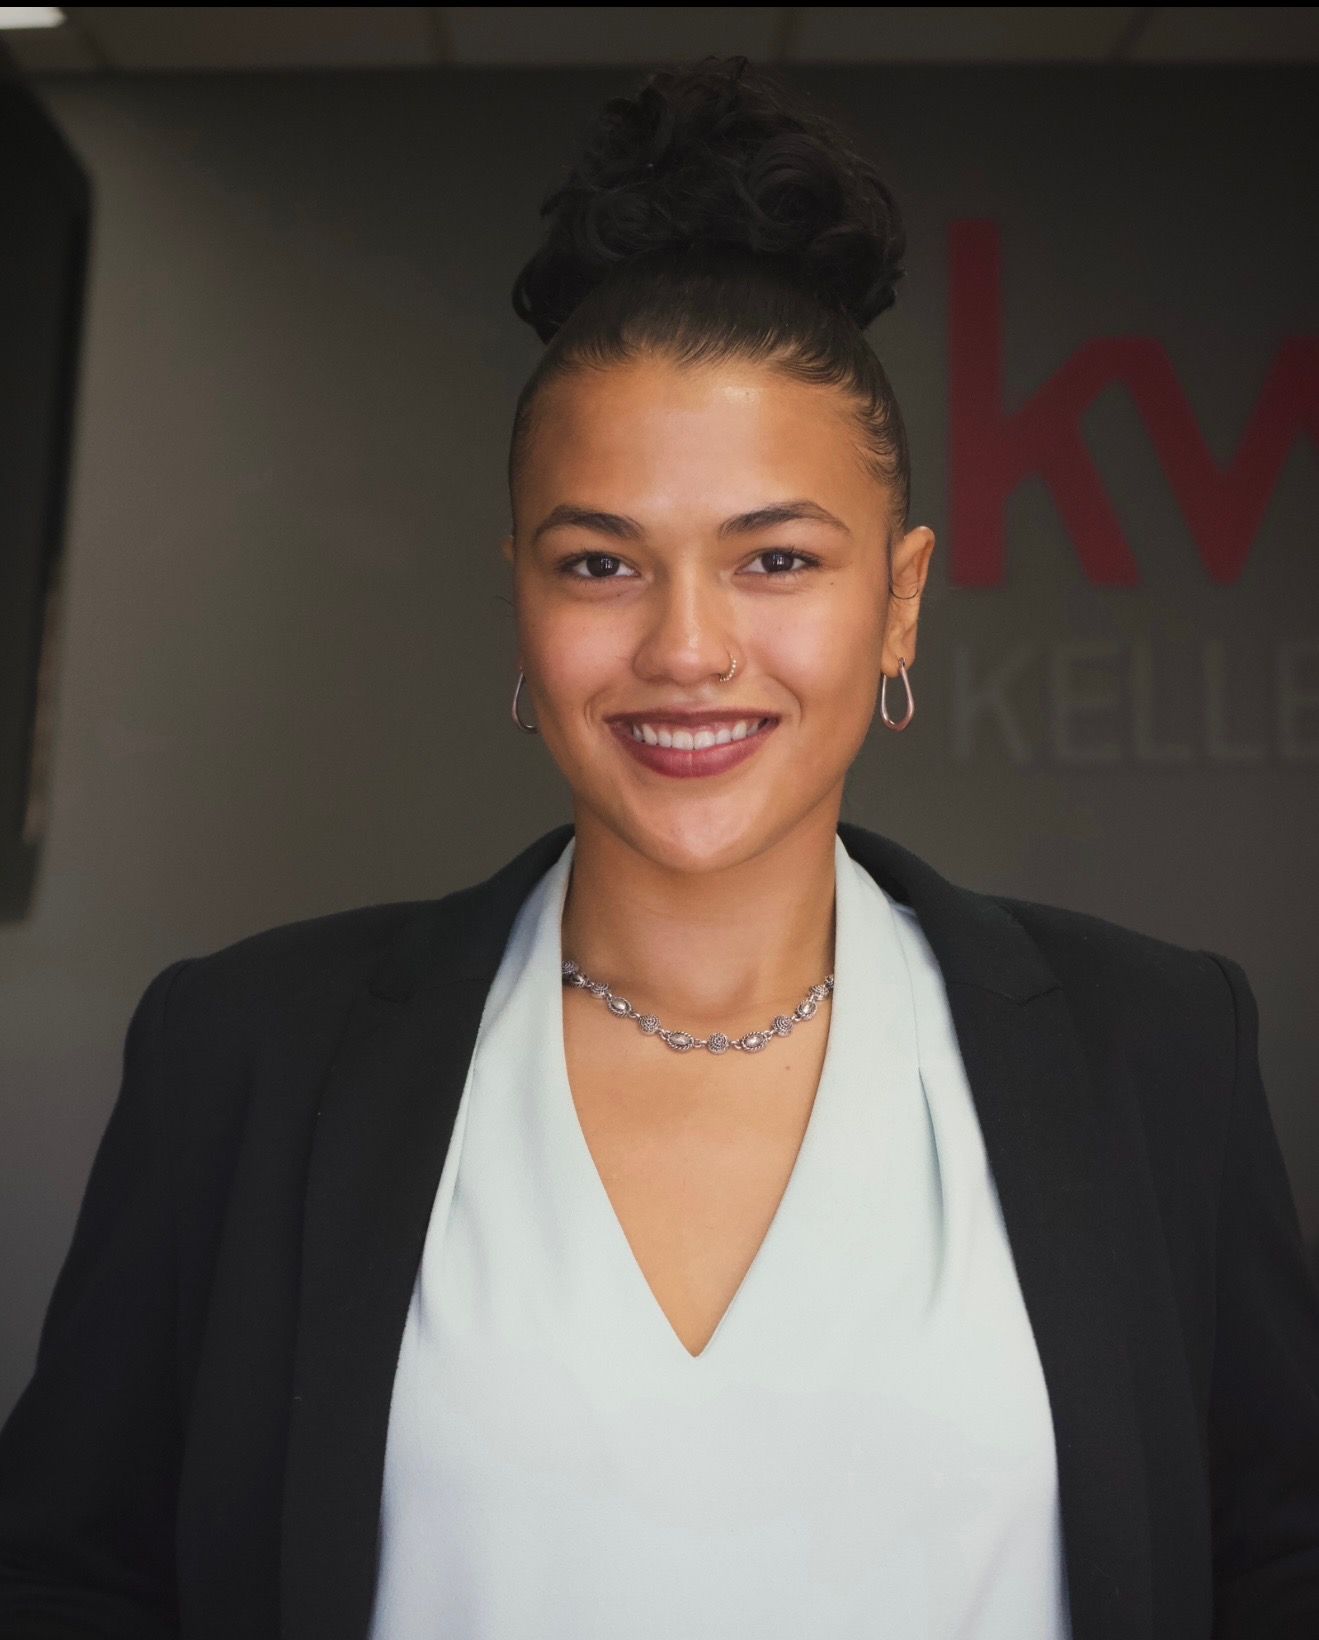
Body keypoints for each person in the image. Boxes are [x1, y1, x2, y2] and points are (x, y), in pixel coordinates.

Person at [1, 51, 1317, 1640]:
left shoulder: (1155, 1056)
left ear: (898, 599)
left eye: (774, 557)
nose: (689, 649)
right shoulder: (247, 1060)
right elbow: (71, 1580)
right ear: (521, 599)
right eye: (602, 562)